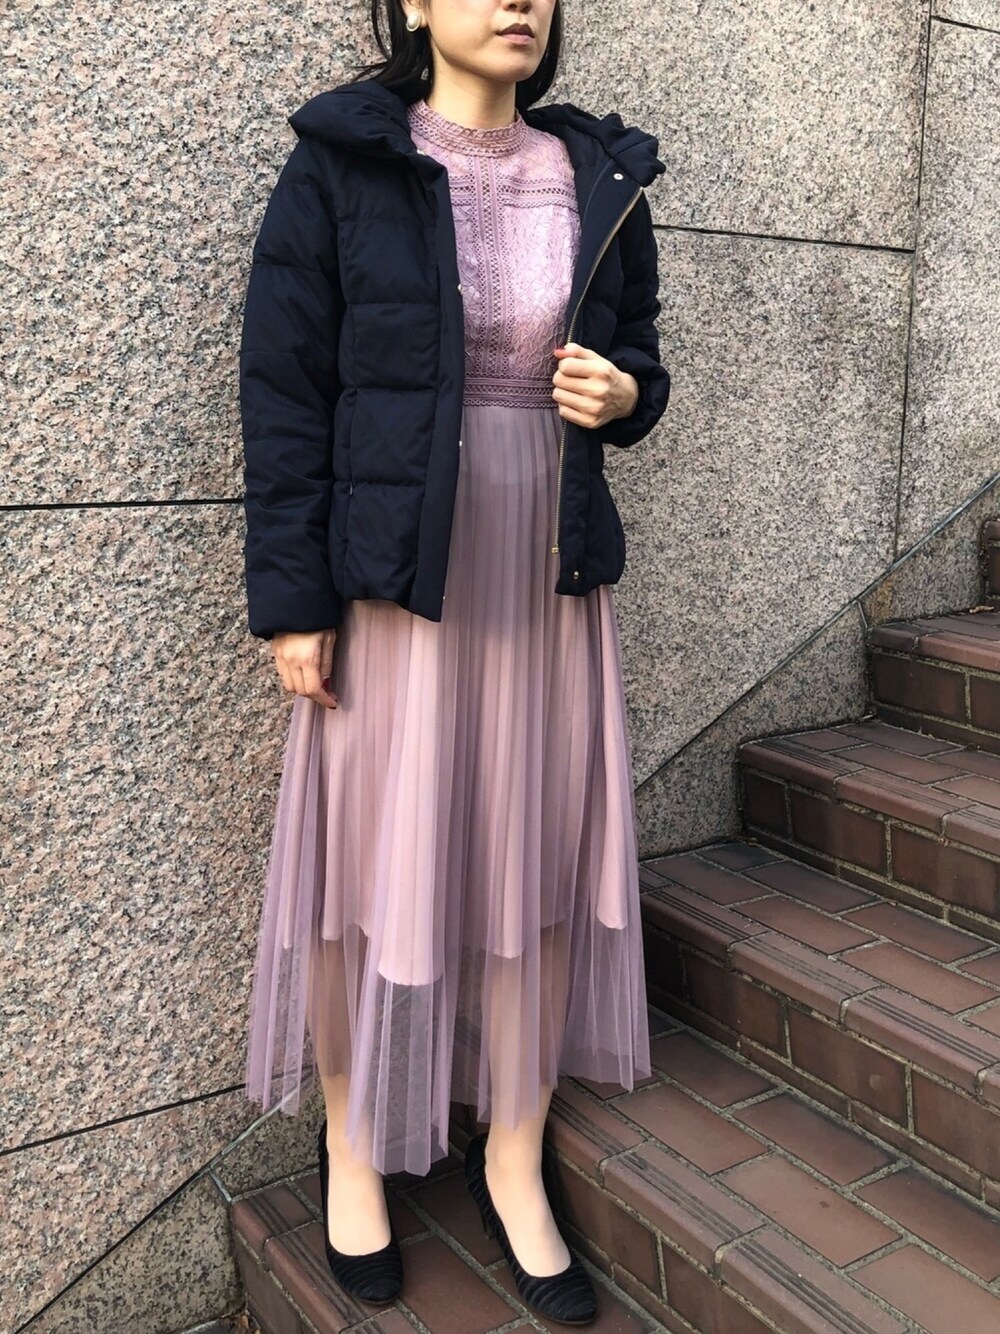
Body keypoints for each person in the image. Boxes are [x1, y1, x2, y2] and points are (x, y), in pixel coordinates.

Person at [238, 0, 671, 1324]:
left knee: (532, 851)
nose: (519, 0)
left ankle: (514, 1151)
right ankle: (354, 1142)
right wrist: (293, 604)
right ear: (415, 5)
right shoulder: (344, 164)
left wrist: (627, 395)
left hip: (544, 567)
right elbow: (284, 389)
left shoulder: (599, 175)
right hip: (398, 578)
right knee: (370, 861)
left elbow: (641, 360)